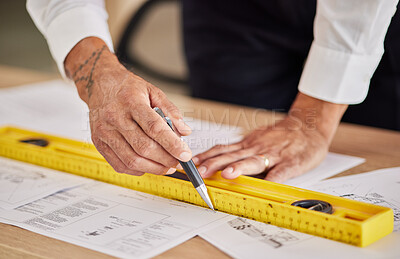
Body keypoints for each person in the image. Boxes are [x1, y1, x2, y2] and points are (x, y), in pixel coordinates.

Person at [27, 0, 398, 183]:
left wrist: (313, 120)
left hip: (370, 17)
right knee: (234, 165)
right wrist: (98, 76)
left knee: (367, 155)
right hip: (229, 13)